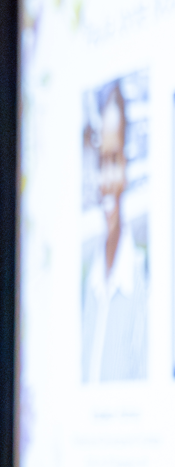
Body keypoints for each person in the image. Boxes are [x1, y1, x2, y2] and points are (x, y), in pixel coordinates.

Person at [80, 78, 148, 382]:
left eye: (114, 160)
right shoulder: (81, 282)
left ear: (128, 165)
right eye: (99, 162)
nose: (105, 178)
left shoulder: (147, 284)